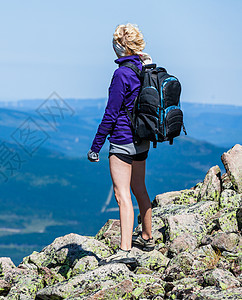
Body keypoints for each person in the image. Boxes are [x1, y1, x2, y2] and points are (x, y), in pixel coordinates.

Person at [87, 23, 155, 265]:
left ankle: (125, 252)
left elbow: (111, 113)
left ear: (120, 46)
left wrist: (96, 146)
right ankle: (147, 236)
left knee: (122, 194)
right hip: (143, 139)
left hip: (123, 140)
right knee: (140, 188)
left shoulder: (121, 74)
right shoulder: (146, 69)